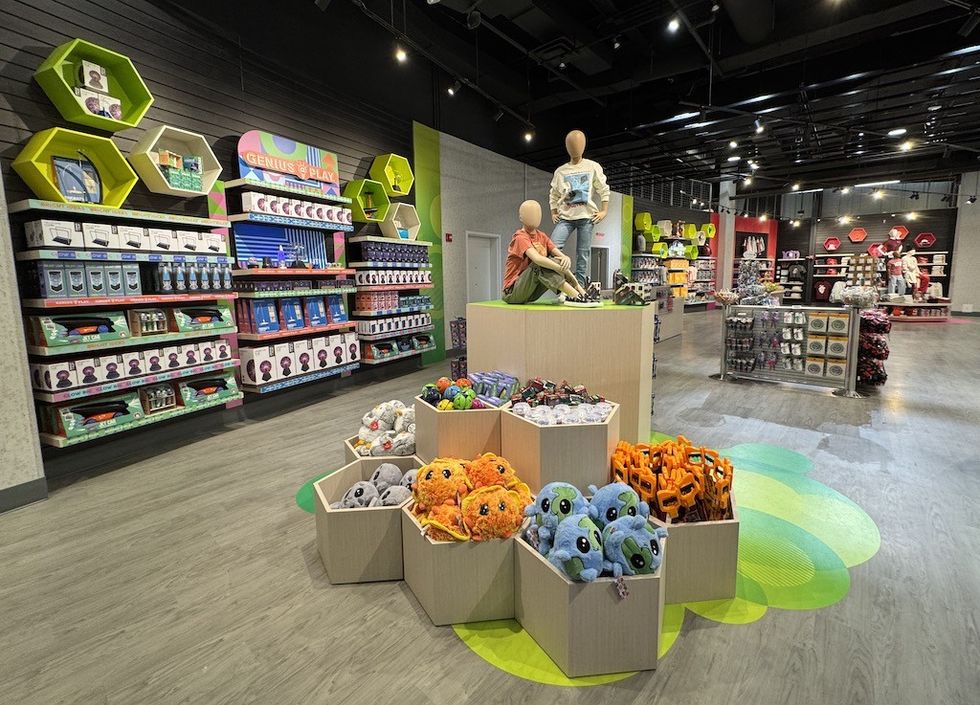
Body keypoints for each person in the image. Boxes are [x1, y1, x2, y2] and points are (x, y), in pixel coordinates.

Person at [502, 200, 599, 307]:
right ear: (521, 217)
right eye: (529, 214)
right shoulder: (520, 237)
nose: (534, 217)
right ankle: (575, 295)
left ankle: (581, 292)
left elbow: (560, 257)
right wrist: (559, 267)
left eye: (537, 214)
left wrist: (566, 259)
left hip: (530, 293)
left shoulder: (542, 236)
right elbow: (537, 259)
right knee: (539, 265)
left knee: (557, 261)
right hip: (513, 292)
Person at [549, 129, 610, 289]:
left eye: (578, 143)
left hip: (586, 217)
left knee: (582, 255)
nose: (575, 147)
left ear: (583, 146)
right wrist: (553, 211)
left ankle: (580, 288)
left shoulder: (592, 166)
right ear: (567, 147)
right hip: (565, 218)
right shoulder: (561, 171)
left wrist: (604, 210)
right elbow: (553, 193)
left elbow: (603, 188)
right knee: (553, 248)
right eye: (571, 144)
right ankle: (561, 286)